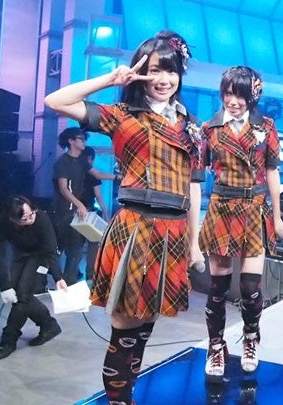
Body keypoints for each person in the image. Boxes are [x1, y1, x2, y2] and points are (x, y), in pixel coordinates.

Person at [44, 31, 204, 405]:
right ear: (139, 73)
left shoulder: (191, 126)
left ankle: (126, 397)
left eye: (170, 71)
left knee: (146, 324)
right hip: (136, 226)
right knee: (125, 328)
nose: (163, 79)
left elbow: (193, 188)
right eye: (154, 70)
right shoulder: (122, 116)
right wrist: (111, 79)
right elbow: (55, 100)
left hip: (173, 230)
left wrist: (194, 243)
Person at [198, 66, 283, 379]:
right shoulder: (209, 128)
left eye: (240, 95)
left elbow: (272, 172)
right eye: (228, 94)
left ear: (253, 96)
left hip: (254, 207)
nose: (233, 101)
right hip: (222, 207)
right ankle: (215, 346)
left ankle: (251, 338)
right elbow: (199, 172)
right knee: (217, 288)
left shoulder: (267, 126)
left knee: (250, 287)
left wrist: (277, 216)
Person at [0, 196, 68, 360]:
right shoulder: (2, 223)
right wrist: (5, 286)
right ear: (13, 219)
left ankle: (8, 341)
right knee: (17, 294)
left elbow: (50, 249)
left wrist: (58, 277)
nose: (31, 218)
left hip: (41, 255)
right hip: (21, 253)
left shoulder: (41, 218)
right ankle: (49, 325)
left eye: (31, 213)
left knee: (23, 296)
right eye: (25, 218)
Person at [51, 128, 116, 285]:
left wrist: (118, 176)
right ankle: (61, 281)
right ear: (71, 141)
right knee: (67, 249)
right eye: (81, 139)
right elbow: (63, 188)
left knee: (75, 251)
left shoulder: (81, 160)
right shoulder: (62, 162)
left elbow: (97, 175)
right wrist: (79, 204)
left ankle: (69, 282)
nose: (84, 142)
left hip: (76, 211)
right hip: (64, 210)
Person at [80, 146, 112, 281]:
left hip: (74, 211)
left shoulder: (75, 170)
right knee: (93, 243)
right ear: (90, 158)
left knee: (75, 246)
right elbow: (98, 196)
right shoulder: (93, 175)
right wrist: (106, 214)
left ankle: (72, 273)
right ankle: (90, 275)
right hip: (89, 213)